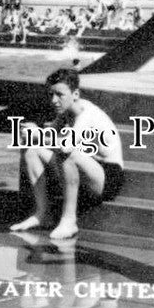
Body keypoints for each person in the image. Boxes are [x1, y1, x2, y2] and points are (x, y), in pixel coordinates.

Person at [9, 68, 124, 240]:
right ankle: (42, 214)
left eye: (59, 94)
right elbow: (49, 138)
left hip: (107, 178)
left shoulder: (87, 114)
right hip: (83, 171)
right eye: (51, 94)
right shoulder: (65, 114)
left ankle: (69, 221)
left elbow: (66, 147)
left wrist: (39, 135)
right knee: (31, 148)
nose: (54, 100)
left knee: (70, 154)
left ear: (75, 94)